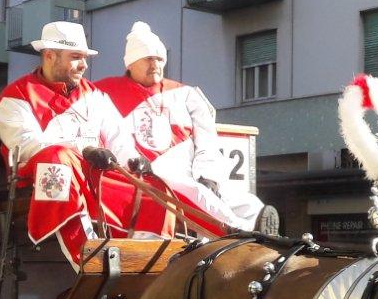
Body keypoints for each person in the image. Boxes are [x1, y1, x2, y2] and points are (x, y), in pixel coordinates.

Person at [0, 21, 172, 269]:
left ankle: (145, 263)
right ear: (49, 56)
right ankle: (90, 261)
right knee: (57, 158)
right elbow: (26, 143)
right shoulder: (17, 95)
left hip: (95, 176)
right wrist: (84, 151)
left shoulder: (94, 95)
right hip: (41, 179)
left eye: (85, 58)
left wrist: (134, 160)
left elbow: (118, 137)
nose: (84, 65)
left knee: (155, 186)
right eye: (76, 57)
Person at [96, 22, 278, 235]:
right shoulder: (105, 92)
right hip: (148, 173)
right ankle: (241, 233)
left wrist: (208, 174)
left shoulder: (186, 93)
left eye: (159, 59)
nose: (155, 64)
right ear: (130, 63)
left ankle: (260, 222)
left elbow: (207, 139)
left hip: (189, 165)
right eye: (148, 58)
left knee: (234, 197)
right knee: (194, 194)